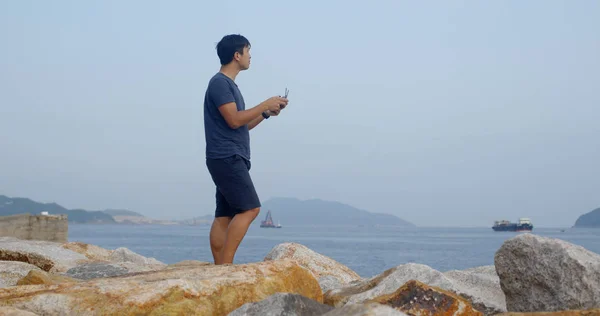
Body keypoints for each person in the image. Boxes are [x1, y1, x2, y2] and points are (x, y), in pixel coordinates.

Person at [203, 34, 289, 265]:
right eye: (248, 51)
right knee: (251, 209)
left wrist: (265, 113)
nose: (251, 56)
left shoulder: (227, 85)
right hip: (227, 156)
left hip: (225, 156)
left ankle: (220, 265)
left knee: (224, 215)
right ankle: (226, 266)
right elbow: (233, 120)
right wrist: (264, 103)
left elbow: (241, 124)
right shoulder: (220, 83)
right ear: (237, 55)